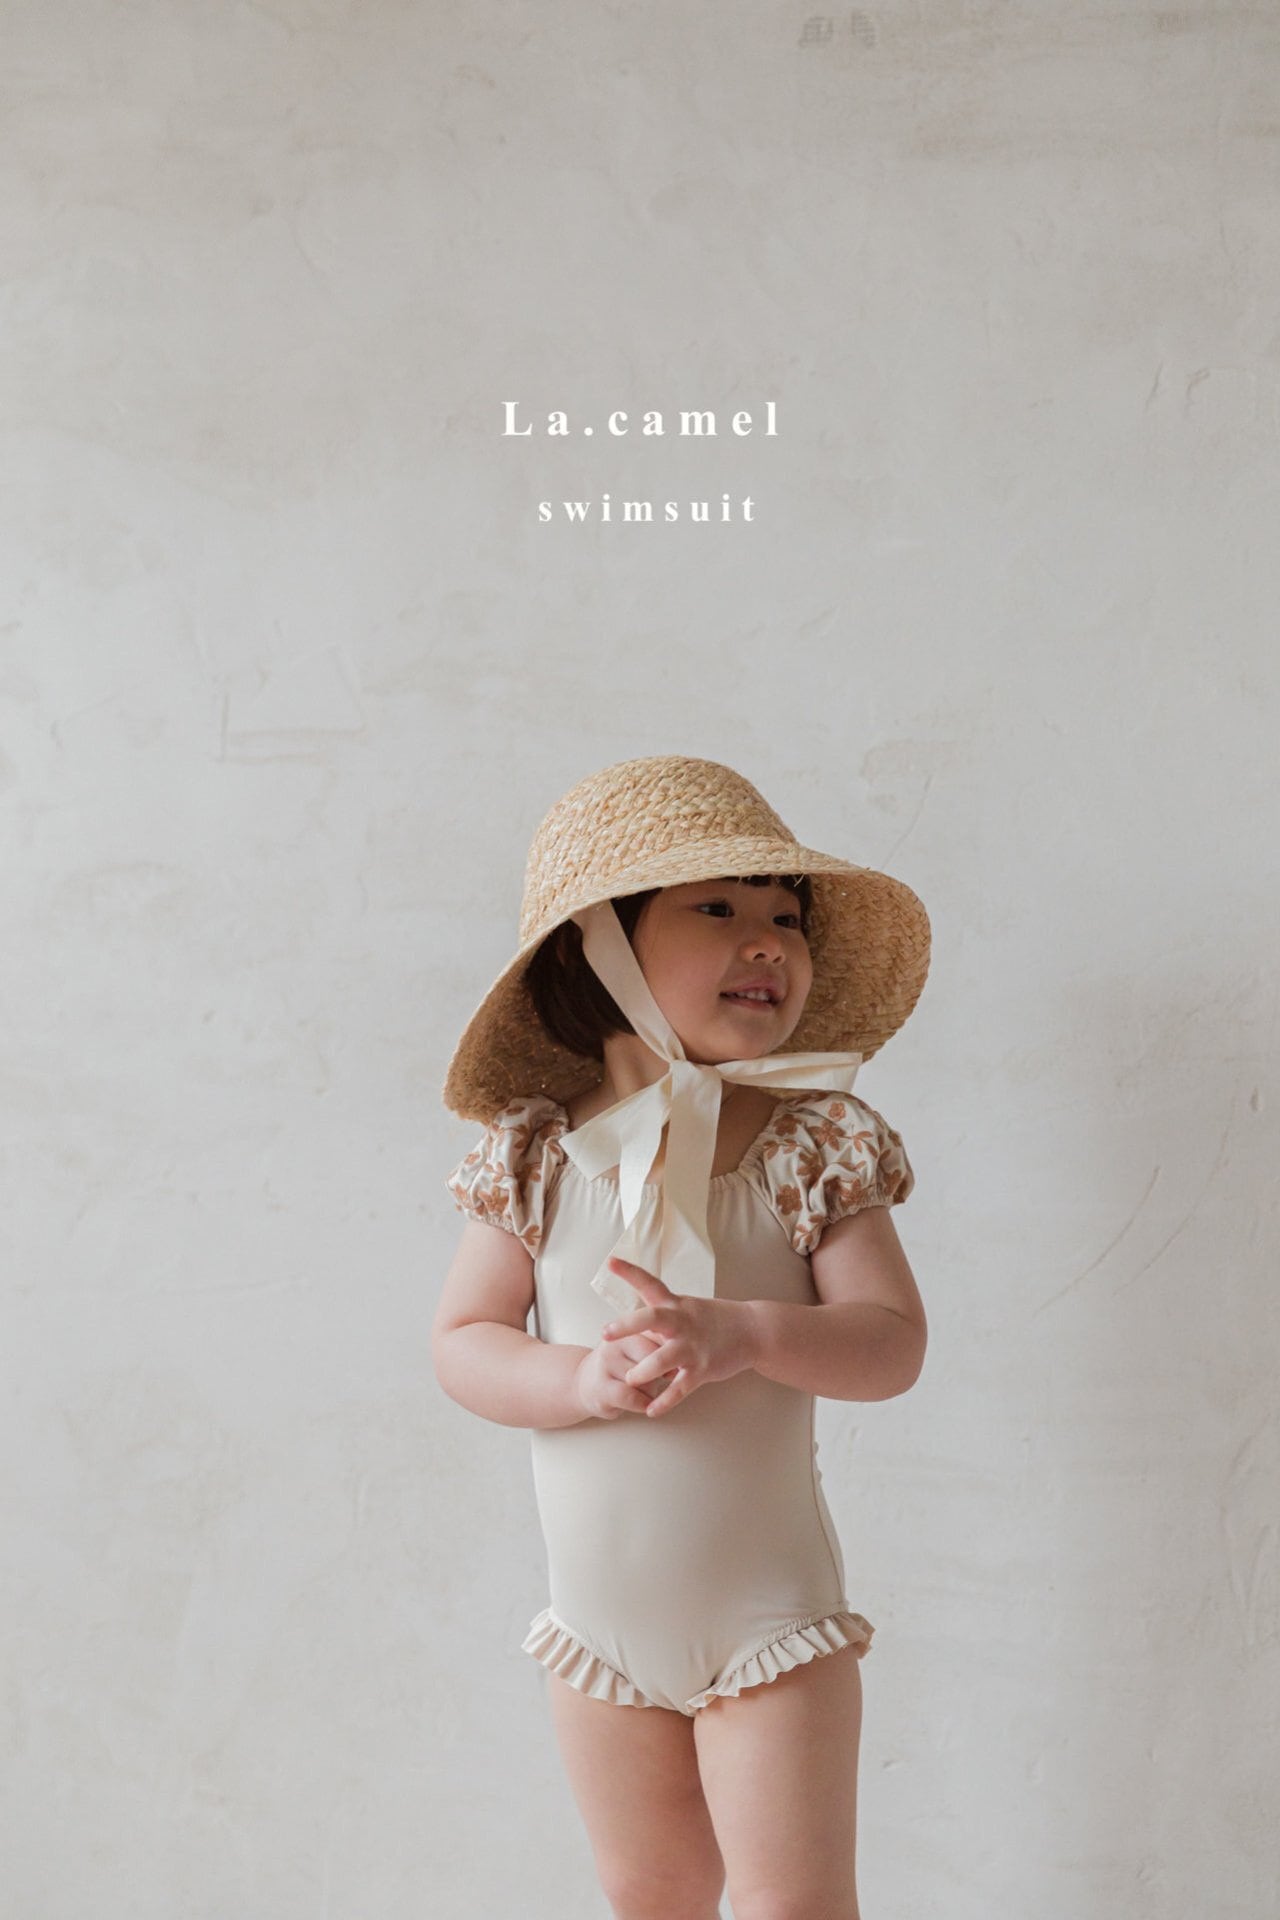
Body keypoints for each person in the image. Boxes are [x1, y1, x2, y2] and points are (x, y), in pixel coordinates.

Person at [432, 754, 931, 1920]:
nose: (767, 943)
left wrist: (747, 1333)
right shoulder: (534, 1154)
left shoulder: (810, 1143)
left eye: (785, 917)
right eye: (717, 908)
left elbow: (889, 1343)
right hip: (597, 1639)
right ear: (593, 952)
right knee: (648, 1895)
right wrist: (579, 1377)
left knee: (791, 1903)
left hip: (770, 1630)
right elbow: (463, 1339)